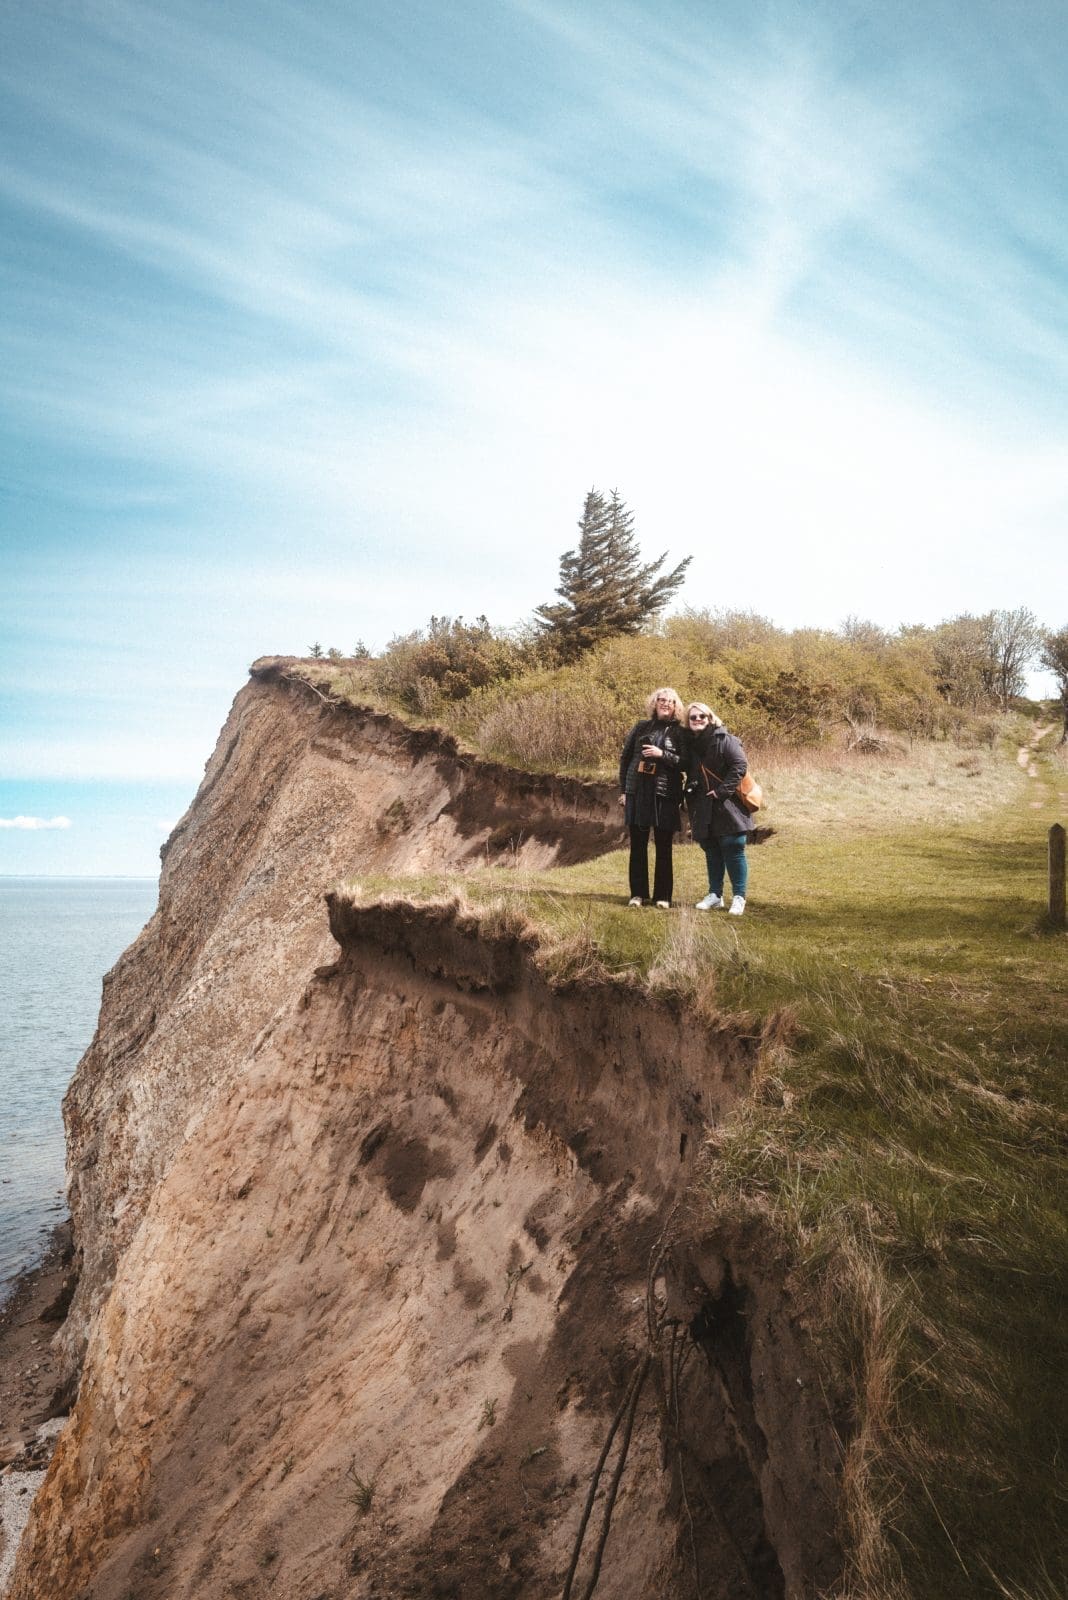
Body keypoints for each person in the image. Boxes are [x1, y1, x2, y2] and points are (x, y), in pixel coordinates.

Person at [619, 688, 686, 907]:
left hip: (665, 793)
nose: (665, 704)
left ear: (676, 706)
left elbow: (685, 763)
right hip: (638, 791)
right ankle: (637, 894)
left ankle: (663, 897)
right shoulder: (641, 727)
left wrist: (662, 754)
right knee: (638, 845)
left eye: (670, 701)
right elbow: (626, 759)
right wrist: (624, 791)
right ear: (654, 703)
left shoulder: (680, 732)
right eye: (661, 700)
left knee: (664, 846)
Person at [685, 702, 752, 916]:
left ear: (710, 718)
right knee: (711, 850)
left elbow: (740, 766)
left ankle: (739, 897)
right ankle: (715, 895)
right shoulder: (690, 745)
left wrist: (722, 791)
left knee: (733, 847)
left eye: (701, 716)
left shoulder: (726, 740)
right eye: (693, 717)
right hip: (702, 805)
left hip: (727, 804)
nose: (697, 720)